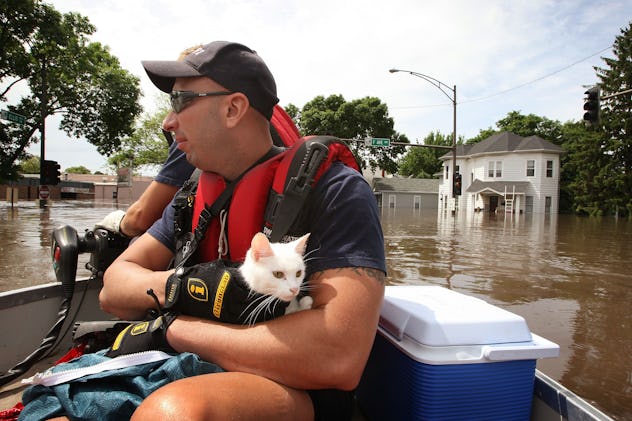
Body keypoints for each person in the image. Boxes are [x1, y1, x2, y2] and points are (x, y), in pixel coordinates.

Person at [98, 41, 386, 421]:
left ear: (233, 108)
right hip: (193, 359)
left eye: (181, 102)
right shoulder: (191, 196)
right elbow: (113, 288)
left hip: (292, 389)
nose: (168, 122)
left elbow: (339, 356)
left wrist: (179, 329)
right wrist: (186, 286)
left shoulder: (337, 191)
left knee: (172, 413)